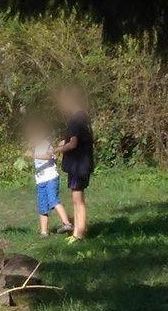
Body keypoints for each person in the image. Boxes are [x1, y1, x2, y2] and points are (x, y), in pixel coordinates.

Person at [54, 85, 95, 243]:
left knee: (78, 200)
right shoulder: (83, 117)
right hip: (83, 163)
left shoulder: (74, 120)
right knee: (77, 199)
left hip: (78, 165)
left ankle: (79, 234)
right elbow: (77, 138)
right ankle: (77, 231)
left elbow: (73, 144)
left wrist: (56, 150)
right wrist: (64, 141)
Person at [24, 118, 73, 237]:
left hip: (50, 178)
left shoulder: (46, 144)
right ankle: (44, 231)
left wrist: (33, 155)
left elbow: (48, 156)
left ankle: (66, 223)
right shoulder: (36, 147)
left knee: (53, 200)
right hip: (40, 180)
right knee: (42, 205)